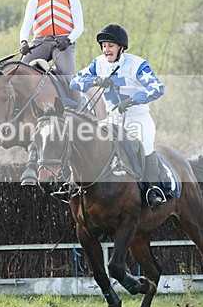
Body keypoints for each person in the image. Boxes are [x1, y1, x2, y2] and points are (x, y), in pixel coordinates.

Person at [69, 23, 167, 210]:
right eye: (104, 45)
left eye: (110, 45)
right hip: (112, 120)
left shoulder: (137, 65)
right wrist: (95, 80)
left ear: (121, 47)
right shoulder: (97, 64)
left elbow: (157, 88)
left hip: (138, 119)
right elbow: (75, 82)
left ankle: (154, 190)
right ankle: (74, 186)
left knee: (145, 146)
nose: (106, 49)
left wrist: (133, 100)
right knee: (87, 140)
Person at [18, 0, 84, 81]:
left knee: (68, 77)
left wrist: (68, 41)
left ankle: (77, 101)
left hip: (63, 43)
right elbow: (26, 25)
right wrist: (24, 42)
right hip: (40, 42)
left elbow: (79, 27)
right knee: (19, 71)